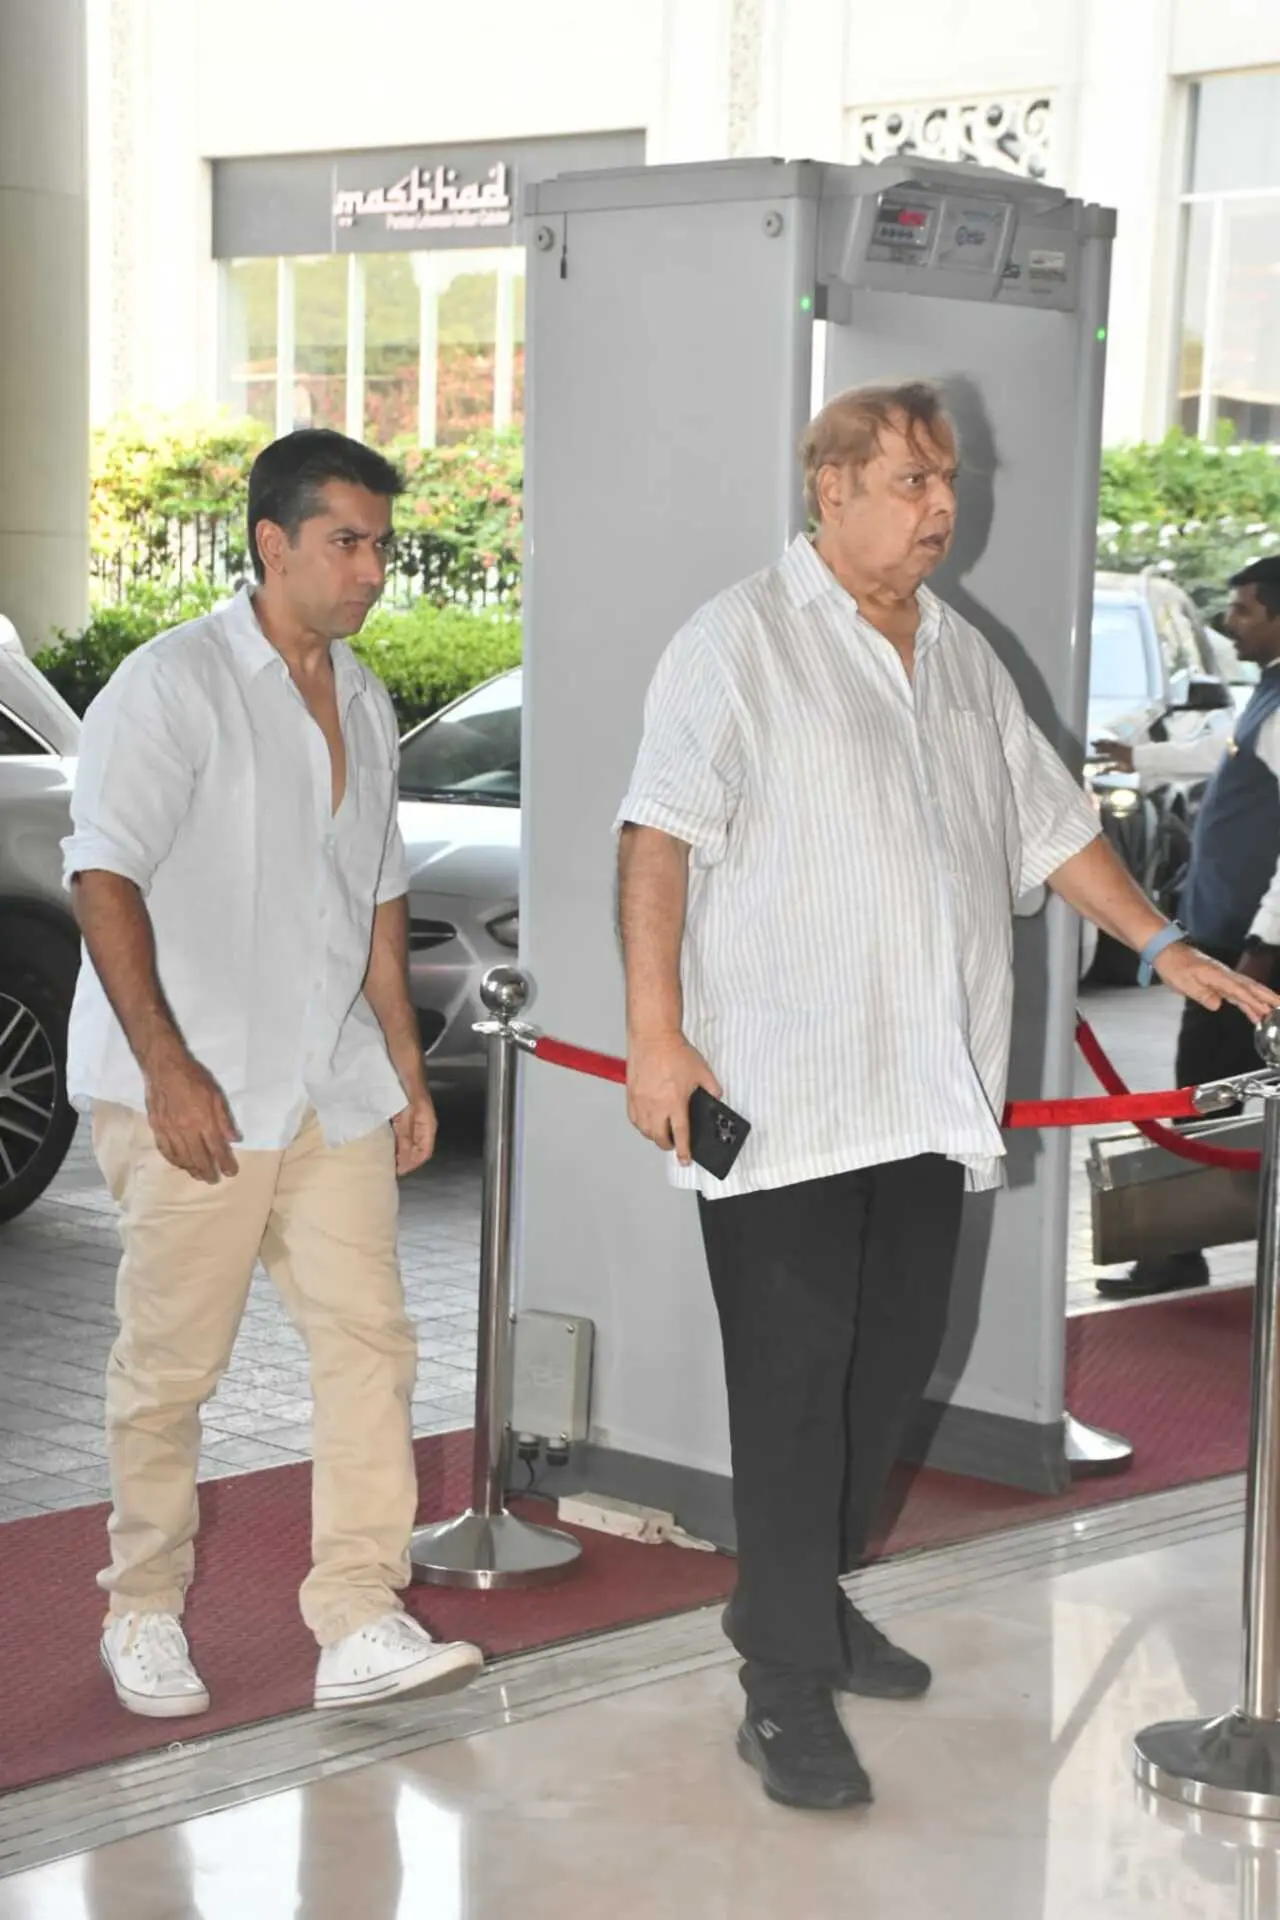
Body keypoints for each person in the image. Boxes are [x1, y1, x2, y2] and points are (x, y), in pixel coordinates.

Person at [614, 382, 1278, 1814]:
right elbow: (656, 839)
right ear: (829, 488)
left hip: (926, 1093)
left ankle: (800, 1599)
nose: (941, 507)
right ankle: (784, 1684)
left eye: (948, 481)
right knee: (793, 1400)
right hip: (783, 1097)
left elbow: (1054, 828)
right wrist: (656, 1036)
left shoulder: (961, 654)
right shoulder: (736, 643)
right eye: (913, 479)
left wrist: (1166, 944)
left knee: (885, 1376)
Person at [63, 428, 483, 1719]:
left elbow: (377, 899)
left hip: (328, 1085)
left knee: (370, 1344)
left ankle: (358, 1613)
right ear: (273, 543)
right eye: (347, 542)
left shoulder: (359, 695)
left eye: (381, 545)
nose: (372, 569)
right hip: (197, 1090)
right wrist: (169, 1068)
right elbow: (103, 874)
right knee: (172, 1366)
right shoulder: (174, 684)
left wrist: (406, 1069)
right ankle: (142, 1610)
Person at [1091, 556, 1280, 1299]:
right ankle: (1182, 1248)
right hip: (1236, 938)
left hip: (1247, 949)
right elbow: (1226, 758)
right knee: (1208, 1091)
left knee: (1203, 1093)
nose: (1228, 624)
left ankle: (1176, 1251)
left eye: (1243, 611)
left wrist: (1263, 950)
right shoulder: (1267, 696)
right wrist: (1141, 756)